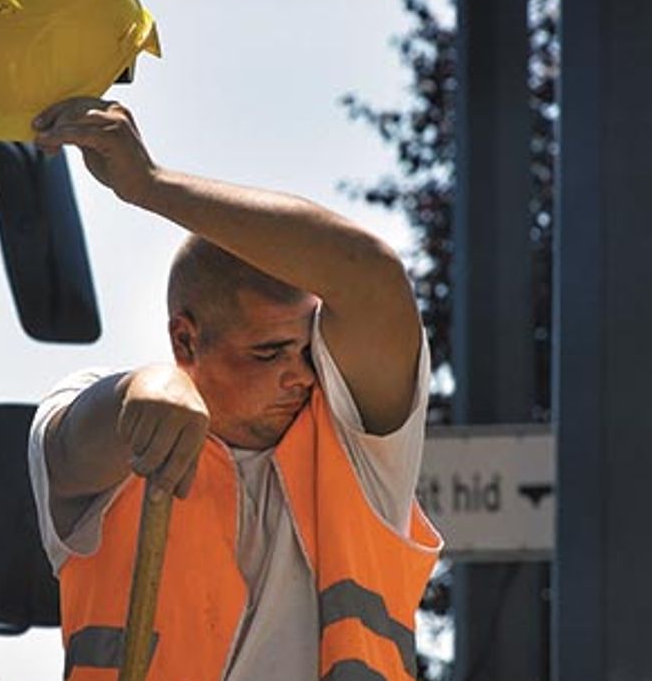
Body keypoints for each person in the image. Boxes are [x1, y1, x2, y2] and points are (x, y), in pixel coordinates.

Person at [26, 97, 443, 680]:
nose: (301, 373)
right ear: (185, 341)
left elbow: (368, 271)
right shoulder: (109, 418)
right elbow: (71, 451)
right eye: (269, 352)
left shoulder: (359, 448)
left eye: (306, 348)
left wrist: (150, 186)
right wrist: (139, 394)